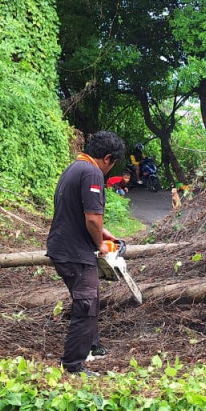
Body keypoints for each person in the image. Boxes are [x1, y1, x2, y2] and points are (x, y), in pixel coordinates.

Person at [46, 130, 126, 376]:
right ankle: (72, 365)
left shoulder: (74, 168)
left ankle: (92, 346)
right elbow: (91, 219)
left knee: (89, 299)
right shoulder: (92, 173)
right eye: (112, 165)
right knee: (86, 305)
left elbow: (80, 214)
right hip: (74, 252)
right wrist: (101, 246)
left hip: (63, 247)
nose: (109, 171)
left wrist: (105, 234)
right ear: (107, 158)